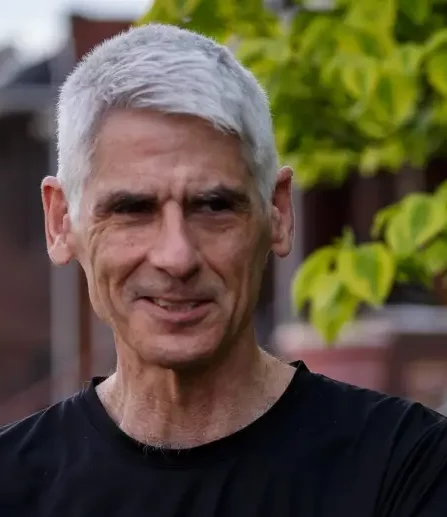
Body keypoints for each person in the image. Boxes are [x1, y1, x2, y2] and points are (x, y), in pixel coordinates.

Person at [0, 23, 446, 517]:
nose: (177, 257)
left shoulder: (409, 469)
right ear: (61, 221)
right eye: (133, 209)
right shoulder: (12, 485)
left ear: (277, 213)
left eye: (213, 206)